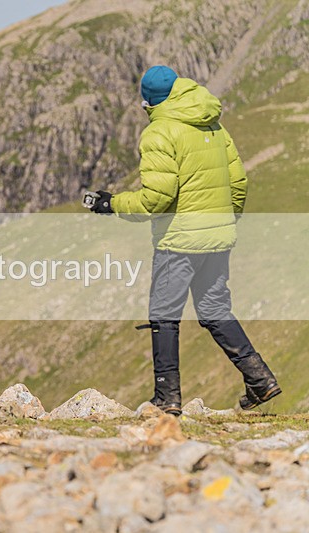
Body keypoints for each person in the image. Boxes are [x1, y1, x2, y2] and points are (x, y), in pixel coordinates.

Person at [89, 66, 280, 416]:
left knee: (164, 315)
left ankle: (167, 398)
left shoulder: (159, 132)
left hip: (179, 240)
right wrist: (224, 221)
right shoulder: (212, 124)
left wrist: (112, 204)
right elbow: (238, 182)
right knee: (215, 310)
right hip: (218, 236)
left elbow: (156, 200)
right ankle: (260, 380)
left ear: (148, 101)